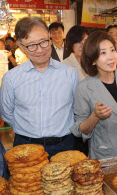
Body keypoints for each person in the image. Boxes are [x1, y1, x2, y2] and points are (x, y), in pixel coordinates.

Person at [0, 17, 79, 158]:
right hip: (26, 147)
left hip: (64, 146)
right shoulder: (11, 78)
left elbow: (76, 109)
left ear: (50, 39)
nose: (40, 50)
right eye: (31, 45)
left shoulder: (70, 73)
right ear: (21, 47)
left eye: (44, 42)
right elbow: (7, 113)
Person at [70, 31, 117, 160]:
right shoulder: (84, 88)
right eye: (103, 53)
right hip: (107, 153)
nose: (111, 57)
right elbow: (80, 129)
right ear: (92, 59)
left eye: (112, 50)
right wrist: (95, 116)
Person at [63, 25, 90, 157]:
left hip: (93, 117)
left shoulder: (93, 63)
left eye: (85, 41)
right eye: (78, 42)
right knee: (79, 154)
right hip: (73, 117)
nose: (82, 45)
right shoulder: (65, 65)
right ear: (71, 43)